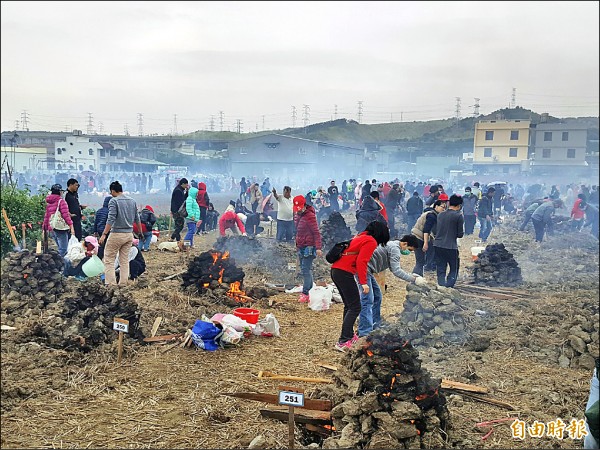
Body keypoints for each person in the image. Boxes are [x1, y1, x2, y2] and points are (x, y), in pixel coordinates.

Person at [331, 221, 390, 352]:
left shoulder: (359, 236)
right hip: (344, 272)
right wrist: (363, 282)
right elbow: (361, 262)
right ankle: (343, 341)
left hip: (336, 270)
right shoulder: (370, 241)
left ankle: (349, 336)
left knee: (349, 305)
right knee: (355, 306)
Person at [360, 235, 427, 336]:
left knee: (377, 296)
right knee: (367, 300)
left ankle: (375, 323)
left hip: (368, 270)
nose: (408, 252)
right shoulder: (395, 249)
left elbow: (393, 268)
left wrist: (412, 275)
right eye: (409, 249)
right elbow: (396, 271)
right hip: (364, 269)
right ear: (405, 244)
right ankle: (365, 332)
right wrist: (414, 279)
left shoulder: (392, 244)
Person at [99, 181, 142, 286]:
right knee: (124, 260)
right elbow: (137, 218)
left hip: (116, 234)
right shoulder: (132, 201)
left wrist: (104, 234)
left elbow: (111, 219)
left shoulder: (114, 201)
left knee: (109, 259)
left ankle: (110, 284)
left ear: (113, 191)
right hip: (129, 235)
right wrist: (140, 232)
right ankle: (123, 282)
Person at [293, 195, 323, 303]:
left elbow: (316, 233)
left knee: (305, 269)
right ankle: (310, 289)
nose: (298, 210)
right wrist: (297, 243)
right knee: (305, 268)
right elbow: (297, 231)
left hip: (309, 246)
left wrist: (318, 247)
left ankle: (306, 292)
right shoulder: (297, 215)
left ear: (304, 205)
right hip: (301, 245)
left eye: (300, 208)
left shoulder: (310, 216)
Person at [433, 194, 464, 288]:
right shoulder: (458, 216)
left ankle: (441, 286)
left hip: (438, 245)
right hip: (450, 246)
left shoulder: (440, 214)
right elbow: (460, 234)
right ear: (459, 205)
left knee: (441, 267)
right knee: (454, 267)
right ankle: (449, 287)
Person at [410, 200, 447, 276]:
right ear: (436, 206)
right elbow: (426, 230)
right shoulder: (431, 216)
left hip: (418, 237)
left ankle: (419, 278)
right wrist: (426, 243)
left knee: (421, 261)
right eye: (442, 207)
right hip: (418, 238)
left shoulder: (432, 214)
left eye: (445, 208)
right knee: (420, 261)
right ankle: (414, 279)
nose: (443, 209)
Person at [42, 183, 75, 257]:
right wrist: (71, 227)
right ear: (60, 192)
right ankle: (61, 266)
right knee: (63, 249)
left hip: (52, 228)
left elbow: (46, 216)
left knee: (59, 248)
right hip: (60, 228)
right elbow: (66, 215)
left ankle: (58, 265)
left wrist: (44, 229)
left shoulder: (49, 203)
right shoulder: (61, 202)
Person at [170, 178, 189, 242]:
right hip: (177, 211)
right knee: (180, 226)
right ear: (183, 184)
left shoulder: (179, 189)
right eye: (186, 184)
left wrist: (187, 192)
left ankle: (178, 240)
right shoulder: (178, 191)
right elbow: (181, 202)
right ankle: (172, 238)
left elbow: (183, 198)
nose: (187, 186)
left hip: (176, 210)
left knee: (178, 225)